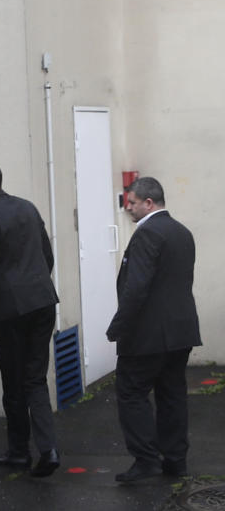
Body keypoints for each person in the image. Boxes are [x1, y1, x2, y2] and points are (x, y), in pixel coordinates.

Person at [0, 159, 60, 478]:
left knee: (14, 383)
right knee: (35, 378)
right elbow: (47, 255)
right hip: (43, 302)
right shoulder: (28, 208)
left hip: (10, 311)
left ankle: (19, 452)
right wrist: (36, 288)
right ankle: (48, 449)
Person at [106, 177, 201, 483]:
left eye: (132, 202)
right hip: (181, 331)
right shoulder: (182, 233)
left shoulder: (148, 233)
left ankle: (146, 460)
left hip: (148, 334)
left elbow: (137, 288)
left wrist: (118, 326)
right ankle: (175, 460)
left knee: (131, 392)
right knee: (172, 395)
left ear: (149, 203)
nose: (128, 208)